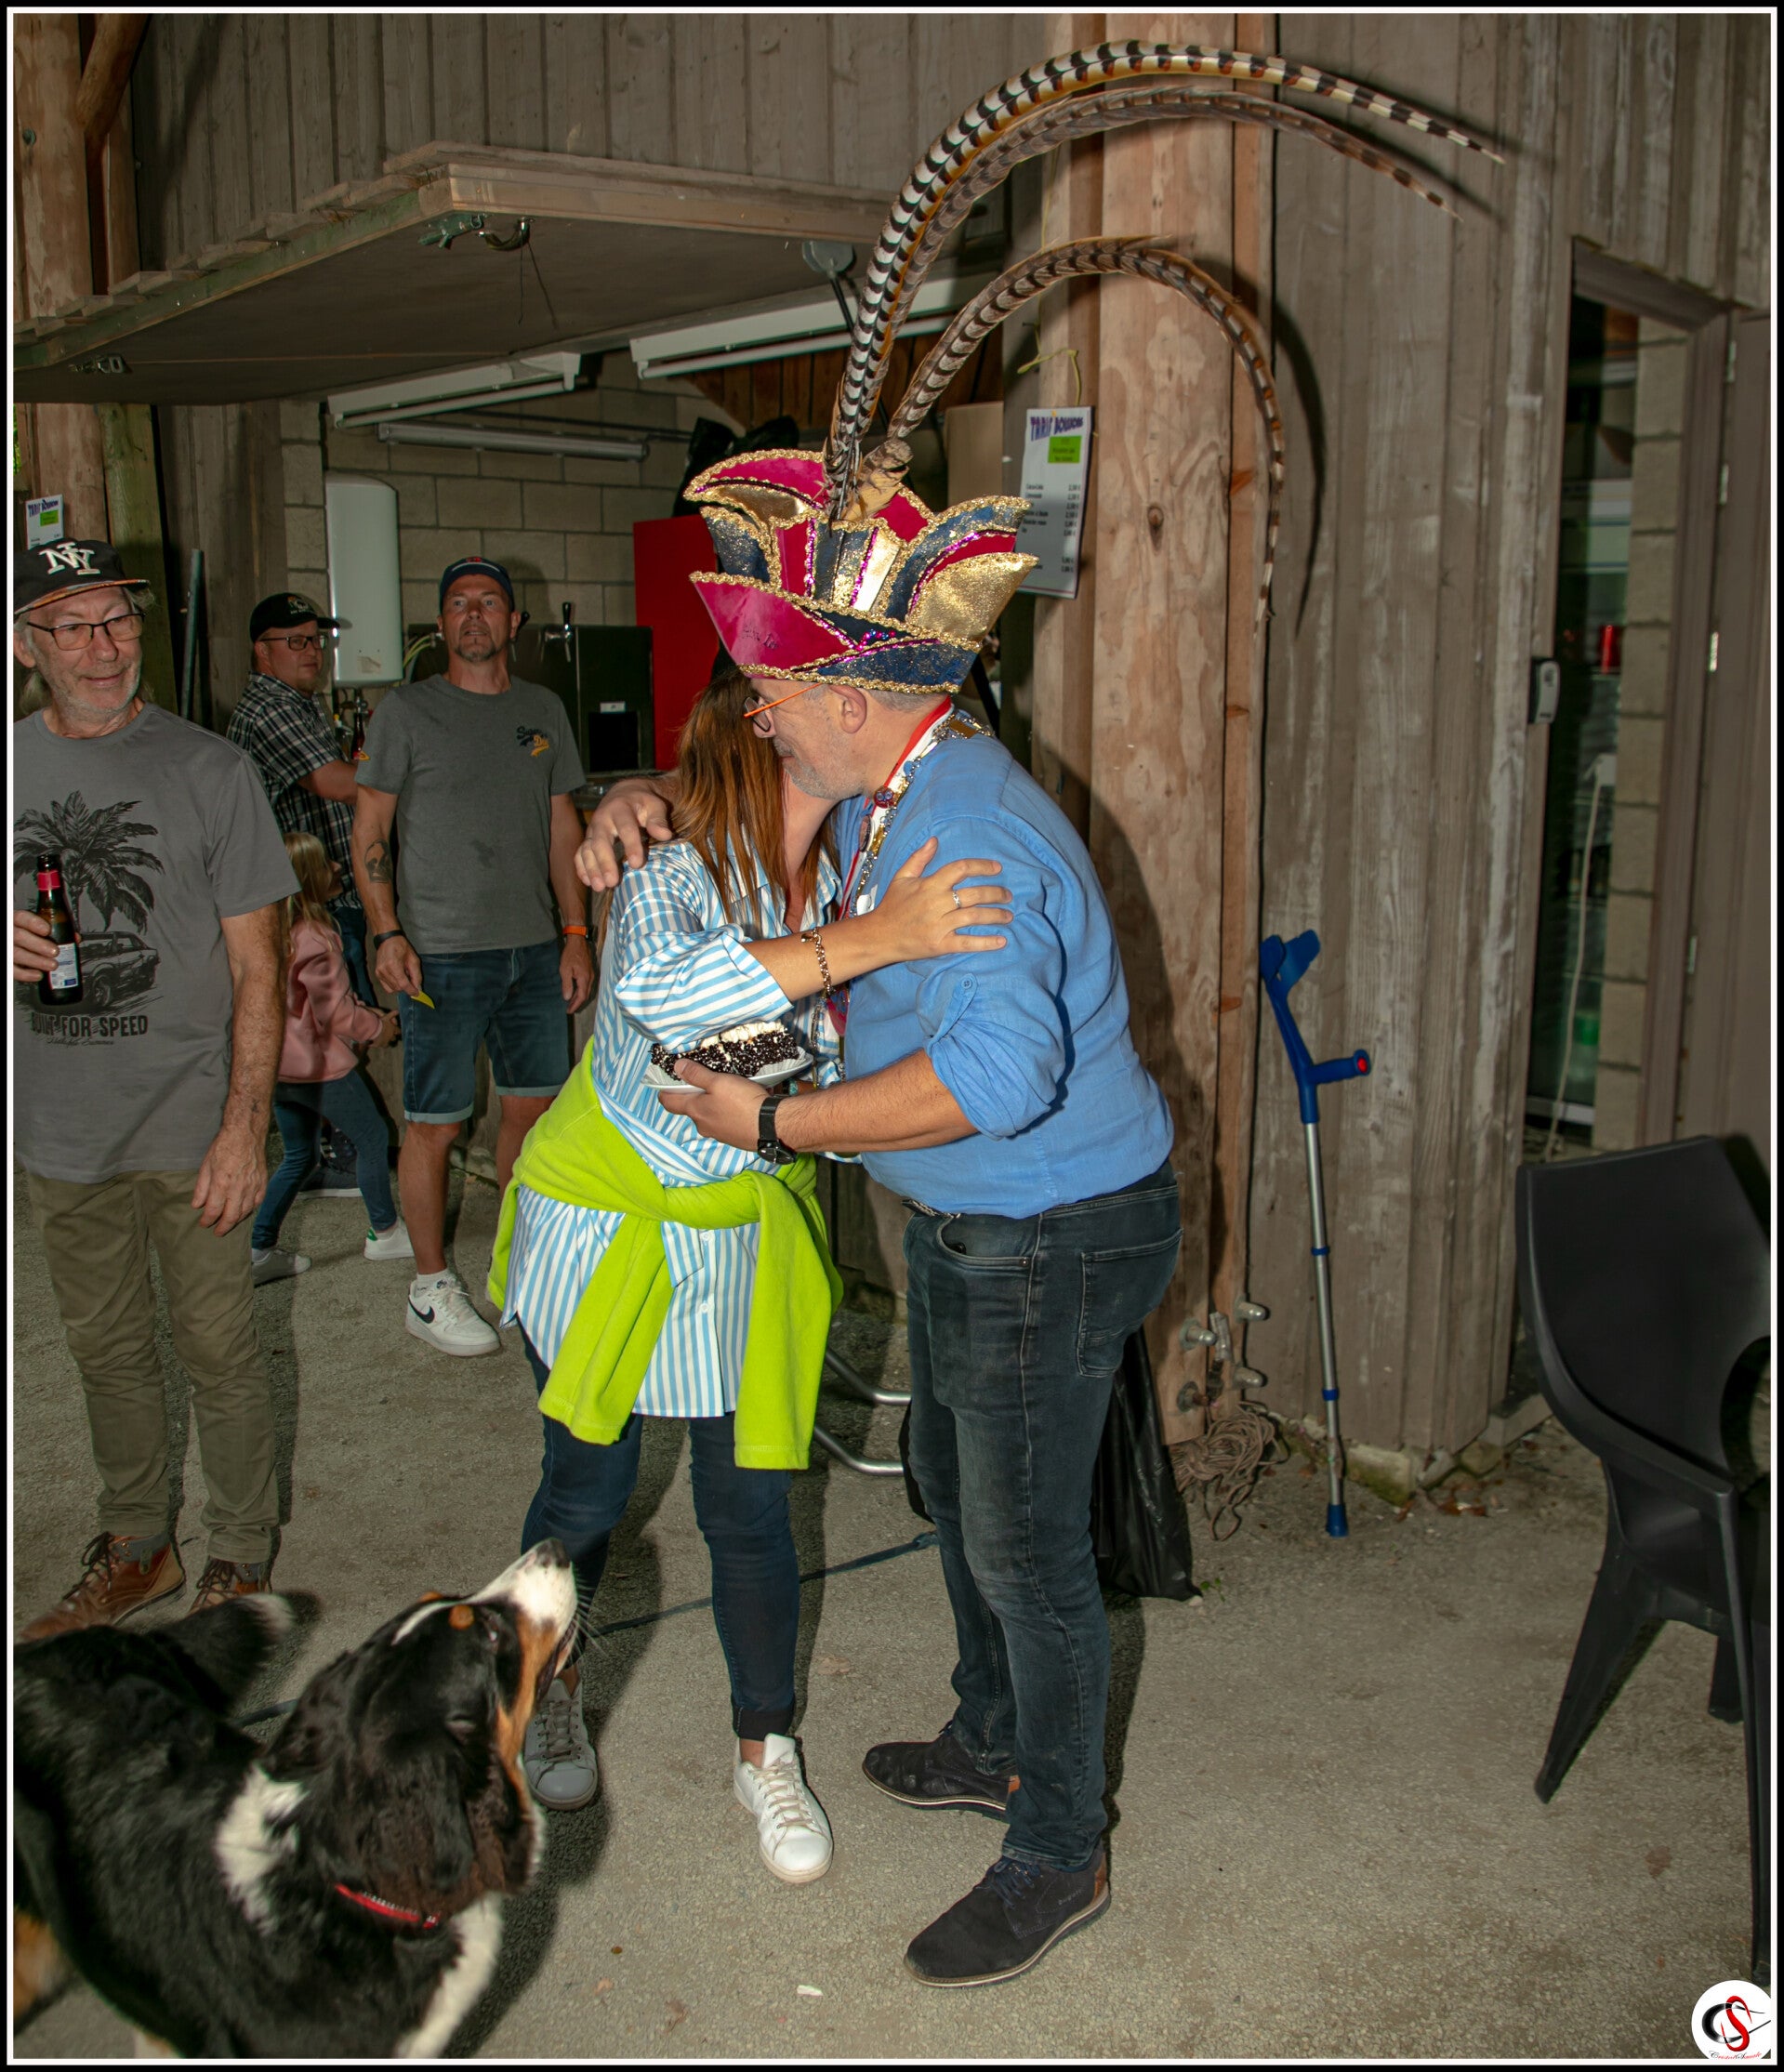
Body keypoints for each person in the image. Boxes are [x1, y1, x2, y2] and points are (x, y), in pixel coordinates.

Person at [581, 444, 1182, 1986]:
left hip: (1050, 1233)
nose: (758, 713)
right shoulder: (882, 776)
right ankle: (991, 1738)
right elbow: (715, 793)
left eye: (773, 691)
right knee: (958, 1497)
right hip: (980, 1229)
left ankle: (1059, 1842)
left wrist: (779, 1123)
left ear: (850, 693)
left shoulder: (959, 831)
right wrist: (626, 798)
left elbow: (993, 1075)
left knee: (1026, 1549)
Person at [487, 663, 1011, 1890]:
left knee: (750, 1509)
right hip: (606, 1228)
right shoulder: (667, 869)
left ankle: (763, 1747)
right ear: (763, 731)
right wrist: (876, 941)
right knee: (584, 1493)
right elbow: (669, 999)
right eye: (821, 700)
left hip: (742, 1236)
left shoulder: (850, 867)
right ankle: (536, 1696)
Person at [12, 540, 297, 1636]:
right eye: (73, 626)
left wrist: (244, 1128)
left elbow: (260, 967)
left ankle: (240, 1556)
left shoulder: (209, 770)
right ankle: (137, 1545)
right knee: (106, 1349)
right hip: (58, 1129)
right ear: (26, 647)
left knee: (220, 1348)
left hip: (190, 1122)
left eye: (118, 621)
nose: (104, 647)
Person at [351, 556, 595, 1356]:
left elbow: (562, 826)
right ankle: (428, 1288)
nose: (474, 614)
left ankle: (523, 1266)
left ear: (513, 622)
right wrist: (386, 931)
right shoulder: (406, 711)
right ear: (441, 623)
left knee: (533, 1114)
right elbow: (370, 828)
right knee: (436, 1123)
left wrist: (575, 933)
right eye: (458, 602)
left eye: (489, 602)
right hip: (439, 954)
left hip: (533, 951)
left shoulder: (542, 710)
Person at [228, 589, 375, 1201]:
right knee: (332, 1022)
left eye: (316, 639)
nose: (312, 651)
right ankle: (344, 1150)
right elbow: (337, 783)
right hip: (309, 900)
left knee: (309, 1024)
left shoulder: (300, 704)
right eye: (296, 641)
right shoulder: (272, 708)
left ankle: (307, 1152)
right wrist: (419, 772)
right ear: (261, 652)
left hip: (318, 892)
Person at [249, 831, 411, 1284]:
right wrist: (378, 1029)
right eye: (325, 864)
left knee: (298, 1156)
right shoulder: (317, 937)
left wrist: (367, 1014)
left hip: (280, 1070)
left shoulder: (271, 934)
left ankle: (259, 1250)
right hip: (319, 1070)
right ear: (306, 879)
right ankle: (385, 1232)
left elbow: (309, 1004)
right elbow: (335, 1012)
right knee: (373, 1137)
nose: (337, 867)